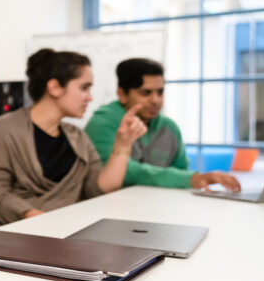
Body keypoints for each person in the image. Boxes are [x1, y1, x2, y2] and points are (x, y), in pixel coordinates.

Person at [0, 48, 147, 232]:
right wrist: (38, 219)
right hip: (11, 235)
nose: (90, 97)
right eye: (84, 87)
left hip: (60, 232)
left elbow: (99, 189)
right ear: (55, 87)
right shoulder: (3, 129)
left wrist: (123, 144)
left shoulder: (77, 136)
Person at [84, 58, 241, 192]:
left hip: (160, 207)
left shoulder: (169, 127)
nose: (155, 100)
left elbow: (181, 171)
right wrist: (192, 178)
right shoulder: (102, 123)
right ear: (122, 94)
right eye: (145, 93)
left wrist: (192, 179)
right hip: (109, 209)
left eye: (160, 92)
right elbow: (127, 173)